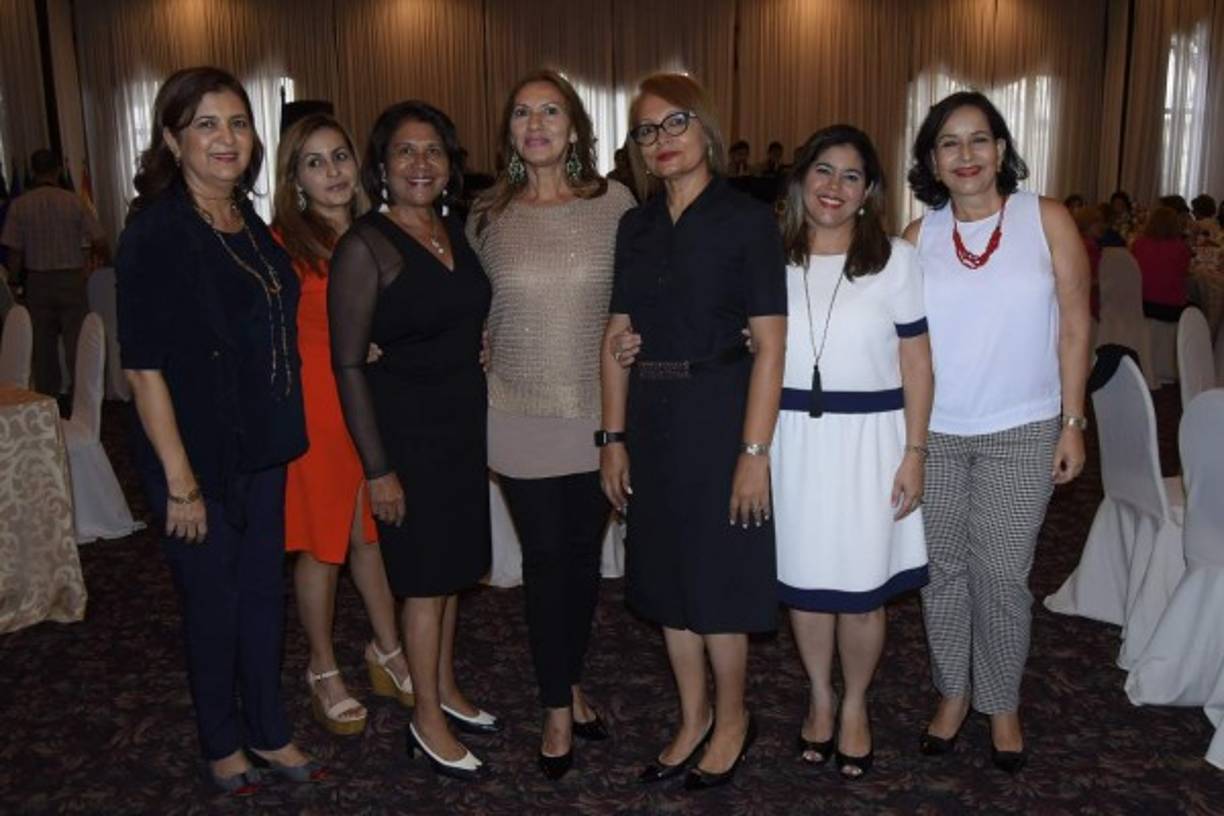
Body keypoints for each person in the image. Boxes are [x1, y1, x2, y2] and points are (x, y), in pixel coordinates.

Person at [116, 66, 323, 795]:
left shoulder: (248, 221)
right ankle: (221, 740)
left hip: (262, 445)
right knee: (214, 603)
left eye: (237, 122)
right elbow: (143, 369)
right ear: (174, 141)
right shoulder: (156, 232)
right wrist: (180, 482)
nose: (226, 138)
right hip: (193, 457)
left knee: (263, 595)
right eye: (206, 124)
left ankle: (267, 726)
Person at [600, 73, 786, 791]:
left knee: (716, 583)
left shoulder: (747, 220)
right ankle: (692, 715)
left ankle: (733, 718)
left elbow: (771, 346)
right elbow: (616, 335)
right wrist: (612, 438)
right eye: (647, 131)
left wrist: (754, 451)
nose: (662, 140)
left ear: (705, 129)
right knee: (664, 579)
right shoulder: (636, 226)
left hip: (720, 412)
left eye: (675, 123)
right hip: (651, 414)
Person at [903, 90, 1090, 773]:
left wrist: (1073, 421)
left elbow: (1076, 325)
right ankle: (954, 693)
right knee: (942, 574)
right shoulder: (917, 238)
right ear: (932, 160)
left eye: (978, 139)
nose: (966, 155)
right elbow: (895, 342)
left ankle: (1001, 701)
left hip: (1023, 429)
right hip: (936, 435)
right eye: (949, 143)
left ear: (1002, 149)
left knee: (1004, 576)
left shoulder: (1047, 219)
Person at [466, 68, 636, 780]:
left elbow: (640, 295)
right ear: (509, 132)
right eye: (522, 112)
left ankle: (567, 679)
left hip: (599, 414)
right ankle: (556, 706)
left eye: (550, 112)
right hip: (516, 413)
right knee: (544, 563)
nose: (535, 124)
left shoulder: (616, 204)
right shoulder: (486, 214)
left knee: (582, 561)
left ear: (574, 129)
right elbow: (461, 304)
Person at [329, 100, 494, 781]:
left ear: (450, 165)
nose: (420, 163)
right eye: (405, 151)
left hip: (461, 426)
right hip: (407, 434)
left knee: (452, 573)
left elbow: (459, 312)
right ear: (382, 165)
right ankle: (425, 718)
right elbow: (347, 364)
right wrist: (378, 469)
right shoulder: (365, 245)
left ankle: (445, 687)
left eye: (433, 151)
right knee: (425, 582)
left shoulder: (453, 227)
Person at [773, 125, 933, 780]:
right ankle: (819, 694)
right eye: (823, 170)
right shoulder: (768, 257)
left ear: (869, 192)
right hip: (792, 441)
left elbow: (917, 363)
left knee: (864, 592)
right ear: (800, 179)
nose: (834, 186)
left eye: (851, 176)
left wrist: (916, 451)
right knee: (808, 586)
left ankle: (856, 702)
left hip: (873, 443)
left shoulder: (897, 260)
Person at [271, 113, 412, 738]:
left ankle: (388, 648)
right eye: (314, 162)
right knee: (321, 545)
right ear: (295, 179)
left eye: (339, 157)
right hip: (316, 411)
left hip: (370, 406)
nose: (331, 172)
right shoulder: (281, 245)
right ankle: (322, 668)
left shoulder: (379, 231)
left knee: (369, 536)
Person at [1, 148, 107, 396]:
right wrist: (102, 262)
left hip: (37, 281)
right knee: (76, 341)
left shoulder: (19, 205)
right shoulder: (73, 201)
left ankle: (50, 397)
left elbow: (14, 250)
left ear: (33, 171)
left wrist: (15, 282)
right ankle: (81, 395)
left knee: (42, 345)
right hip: (71, 279)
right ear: (58, 170)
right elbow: (99, 239)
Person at [1132, 205, 1190, 321]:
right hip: (1170, 307)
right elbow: (1184, 273)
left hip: (1141, 303)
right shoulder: (1180, 247)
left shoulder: (1138, 244)